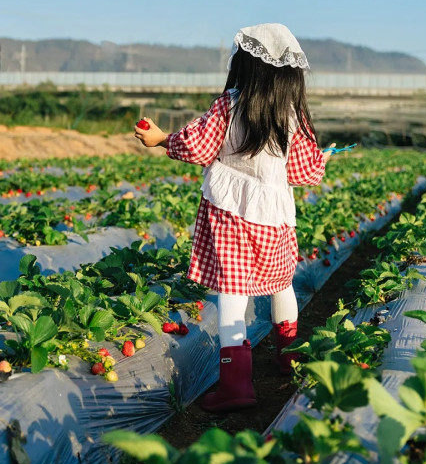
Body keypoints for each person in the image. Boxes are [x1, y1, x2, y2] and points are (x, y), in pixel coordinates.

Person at [134, 23, 334, 412]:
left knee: (233, 291)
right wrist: (320, 162)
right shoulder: (293, 118)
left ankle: (236, 382)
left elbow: (195, 145)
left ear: (247, 66)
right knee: (281, 283)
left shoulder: (230, 105)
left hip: (230, 216)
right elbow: (306, 172)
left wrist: (161, 140)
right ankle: (289, 357)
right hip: (276, 220)